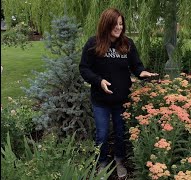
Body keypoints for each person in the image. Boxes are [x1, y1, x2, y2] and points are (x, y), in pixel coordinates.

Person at [79, 8, 158, 178]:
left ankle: (120, 161)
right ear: (106, 24)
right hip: (100, 100)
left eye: (121, 24)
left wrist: (142, 72)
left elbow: (136, 65)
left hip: (122, 99)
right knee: (102, 134)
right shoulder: (93, 43)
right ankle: (102, 163)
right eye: (115, 24)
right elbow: (84, 68)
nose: (119, 27)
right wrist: (98, 81)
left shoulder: (127, 44)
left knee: (121, 133)